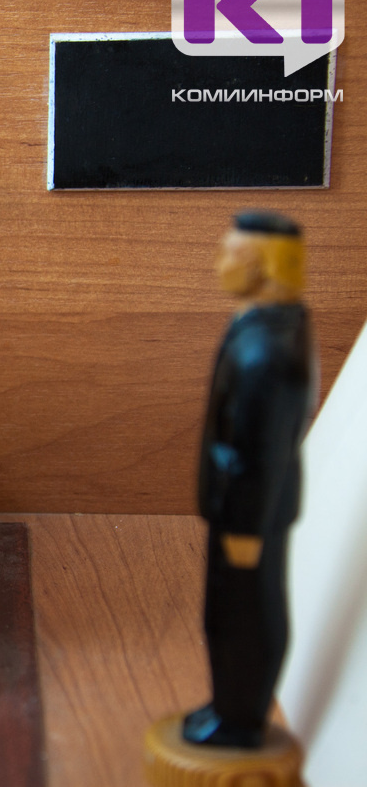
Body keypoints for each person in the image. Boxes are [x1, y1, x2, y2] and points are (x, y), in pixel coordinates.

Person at [183, 210, 316, 748]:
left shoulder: (267, 351)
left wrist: (244, 528)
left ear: (263, 265)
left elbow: (258, 453)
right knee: (231, 612)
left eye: (231, 254)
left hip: (247, 515)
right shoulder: (266, 327)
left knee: (242, 614)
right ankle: (230, 706)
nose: (218, 264)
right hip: (242, 510)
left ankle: (240, 718)